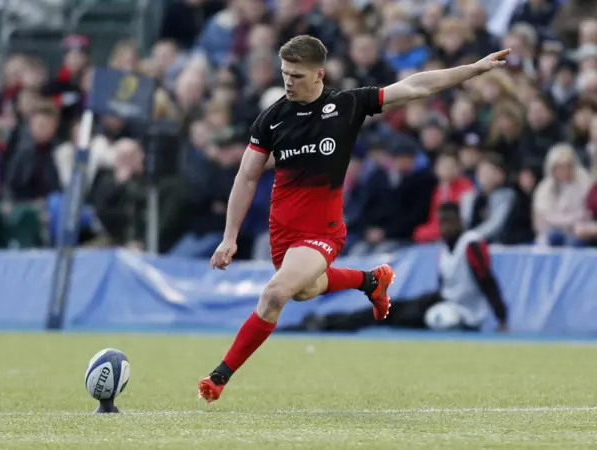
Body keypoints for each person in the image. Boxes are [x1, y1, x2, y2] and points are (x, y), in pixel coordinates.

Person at [198, 34, 512, 403]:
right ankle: (370, 281)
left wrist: (473, 70)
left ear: (319, 74)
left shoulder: (346, 105)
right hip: (282, 232)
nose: (288, 82)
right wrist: (229, 236)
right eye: (284, 73)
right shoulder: (272, 119)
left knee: (274, 294)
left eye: (296, 75)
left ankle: (219, 377)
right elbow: (247, 176)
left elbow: (414, 86)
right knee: (303, 291)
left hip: (322, 232)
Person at [284, 202, 508, 333]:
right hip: (444, 300)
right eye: (442, 222)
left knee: (391, 314)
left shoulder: (471, 244)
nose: (445, 227)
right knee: (387, 306)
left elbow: (487, 281)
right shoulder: (445, 248)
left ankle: (329, 324)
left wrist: (501, 318)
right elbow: (445, 284)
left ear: (460, 221)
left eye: (449, 221)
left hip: (463, 312)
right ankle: (328, 321)